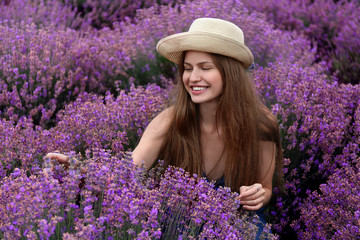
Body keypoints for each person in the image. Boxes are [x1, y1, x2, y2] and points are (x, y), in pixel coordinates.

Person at [45, 17, 283, 229]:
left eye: (205, 68)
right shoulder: (171, 120)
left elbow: (265, 188)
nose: (193, 77)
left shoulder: (261, 124)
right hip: (179, 224)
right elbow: (127, 172)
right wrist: (80, 170)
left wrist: (258, 196)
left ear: (230, 73)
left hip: (237, 225)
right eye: (188, 69)